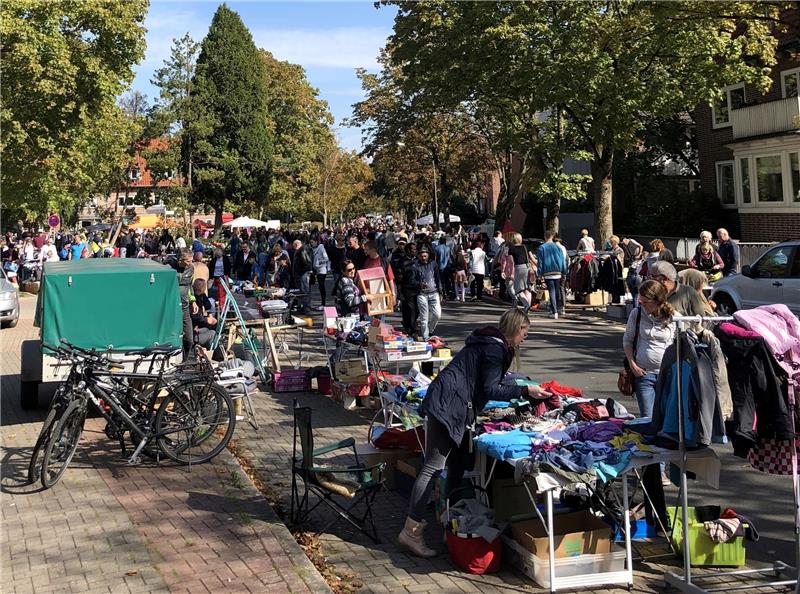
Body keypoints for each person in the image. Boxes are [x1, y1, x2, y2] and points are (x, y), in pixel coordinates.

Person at [397, 308, 553, 557]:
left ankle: (451, 522)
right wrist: (525, 391)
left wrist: (520, 386)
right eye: (525, 332)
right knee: (434, 467)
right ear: (516, 328)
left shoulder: (488, 342)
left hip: (451, 401)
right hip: (449, 406)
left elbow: (486, 381)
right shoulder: (495, 349)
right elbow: (491, 389)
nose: (525, 337)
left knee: (459, 463)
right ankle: (411, 531)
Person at [622, 280, 676, 418]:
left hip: (668, 374)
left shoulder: (674, 317)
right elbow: (627, 340)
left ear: (657, 301)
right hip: (644, 374)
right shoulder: (637, 313)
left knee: (667, 417)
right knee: (647, 418)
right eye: (640, 301)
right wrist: (632, 364)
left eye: (646, 302)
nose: (642, 304)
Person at [411, 246, 442, 341]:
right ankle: (426, 337)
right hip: (422, 294)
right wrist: (419, 284)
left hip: (434, 292)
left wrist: (441, 292)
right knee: (424, 317)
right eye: (421, 256)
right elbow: (412, 280)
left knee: (437, 314)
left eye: (425, 256)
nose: (423, 258)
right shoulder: (415, 266)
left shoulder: (433, 264)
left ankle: (430, 330)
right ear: (418, 256)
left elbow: (438, 278)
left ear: (428, 255)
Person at [537, 231, 568, 319]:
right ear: (552, 236)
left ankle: (554, 311)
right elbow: (562, 260)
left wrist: (539, 273)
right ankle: (556, 308)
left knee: (552, 291)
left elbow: (540, 262)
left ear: (545, 237)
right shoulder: (558, 247)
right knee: (556, 290)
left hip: (547, 272)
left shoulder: (542, 247)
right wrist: (564, 271)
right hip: (558, 271)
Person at [173, 248, 195, 360]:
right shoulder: (170, 267)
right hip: (172, 308)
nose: (190, 263)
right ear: (180, 260)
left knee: (189, 339)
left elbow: (189, 285)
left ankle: (184, 361)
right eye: (188, 261)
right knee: (174, 337)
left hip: (184, 308)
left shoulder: (191, 268)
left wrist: (193, 301)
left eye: (191, 260)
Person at [507, 233, 533, 308]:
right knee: (527, 289)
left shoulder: (512, 248)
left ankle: (526, 304)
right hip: (527, 268)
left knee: (518, 289)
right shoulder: (525, 247)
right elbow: (531, 257)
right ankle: (528, 307)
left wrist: (510, 271)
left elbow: (511, 261)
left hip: (518, 268)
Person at [398, 242, 419, 334]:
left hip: (418, 288)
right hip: (407, 289)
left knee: (417, 309)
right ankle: (412, 328)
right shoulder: (402, 261)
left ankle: (410, 324)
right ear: (408, 251)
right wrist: (399, 292)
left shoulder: (418, 260)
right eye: (413, 249)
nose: (415, 251)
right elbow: (399, 277)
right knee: (410, 309)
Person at [191, 278, 217, 348]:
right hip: (190, 335)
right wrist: (206, 320)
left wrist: (210, 316)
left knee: (206, 329)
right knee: (213, 333)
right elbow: (194, 317)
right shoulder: (192, 301)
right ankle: (211, 351)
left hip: (194, 327)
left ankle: (202, 349)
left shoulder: (201, 295)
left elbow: (207, 305)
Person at [291, 239, 314, 314]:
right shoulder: (301, 250)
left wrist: (301, 271)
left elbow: (306, 262)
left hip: (303, 273)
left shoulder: (302, 250)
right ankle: (304, 307)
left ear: (296, 245)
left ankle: (306, 308)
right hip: (302, 273)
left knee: (305, 291)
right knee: (303, 290)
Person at [311, 237, 330, 310]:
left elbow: (326, 258)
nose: (311, 244)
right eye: (310, 242)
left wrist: (319, 262)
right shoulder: (313, 249)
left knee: (322, 287)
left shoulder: (321, 248)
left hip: (322, 270)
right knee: (320, 287)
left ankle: (323, 304)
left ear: (316, 242)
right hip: (317, 270)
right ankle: (322, 304)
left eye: (312, 242)